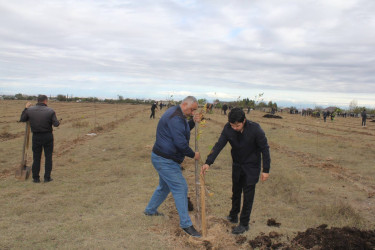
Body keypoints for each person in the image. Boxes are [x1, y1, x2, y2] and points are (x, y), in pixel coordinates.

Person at [201, 108, 271, 234]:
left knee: (248, 196)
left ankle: (244, 224)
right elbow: (218, 145)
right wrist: (208, 162)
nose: (234, 128)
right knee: (236, 192)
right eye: (232, 125)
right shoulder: (228, 128)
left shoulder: (255, 129)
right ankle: (233, 215)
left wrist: (266, 170)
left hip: (252, 167)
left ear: (244, 120)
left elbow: (265, 149)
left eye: (237, 125)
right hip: (237, 165)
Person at [144, 96, 202, 238]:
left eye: (195, 110)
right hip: (165, 160)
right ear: (184, 104)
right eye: (192, 110)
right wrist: (193, 154)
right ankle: (186, 224)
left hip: (163, 157)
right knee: (181, 187)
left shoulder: (178, 113)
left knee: (164, 187)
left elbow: (183, 129)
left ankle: (150, 210)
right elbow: (181, 144)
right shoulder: (175, 117)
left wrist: (192, 122)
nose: (193, 112)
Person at [19, 95, 60, 183]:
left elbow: (22, 119)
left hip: (36, 136)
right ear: (45, 101)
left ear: (38, 100)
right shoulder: (50, 111)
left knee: (36, 157)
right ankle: (47, 177)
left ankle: (36, 178)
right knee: (48, 157)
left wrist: (25, 108)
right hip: (48, 136)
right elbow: (56, 124)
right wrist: (57, 121)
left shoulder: (29, 110)